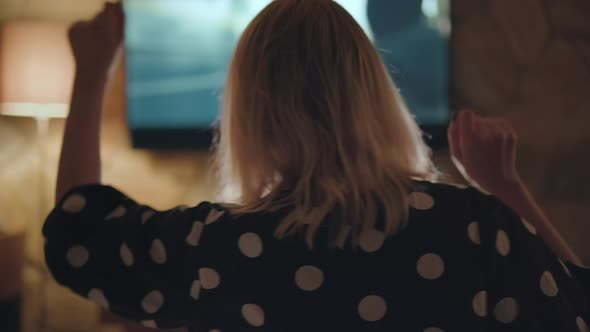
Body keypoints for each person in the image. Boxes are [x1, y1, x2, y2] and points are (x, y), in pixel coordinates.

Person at [43, 1, 590, 331]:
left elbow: (78, 235)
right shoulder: (476, 228)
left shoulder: (213, 248)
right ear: (375, 95)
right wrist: (506, 188)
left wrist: (92, 76)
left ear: (249, 112)